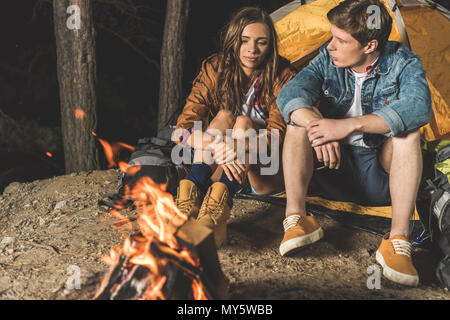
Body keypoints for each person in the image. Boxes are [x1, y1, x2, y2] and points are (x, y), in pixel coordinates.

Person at [276, 0, 431, 286]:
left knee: (408, 133)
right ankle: (297, 219)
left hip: (381, 178)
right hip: (332, 169)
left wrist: (346, 125)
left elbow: (419, 107)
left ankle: (397, 240)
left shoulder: (403, 61)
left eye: (340, 40)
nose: (330, 45)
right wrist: (317, 127)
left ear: (370, 45)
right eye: (332, 36)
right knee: (297, 122)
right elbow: (290, 93)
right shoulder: (327, 57)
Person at [172, 7, 297, 247]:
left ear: (270, 45)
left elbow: (277, 137)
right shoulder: (215, 68)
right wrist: (216, 145)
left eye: (261, 42)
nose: (252, 50)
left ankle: (209, 200)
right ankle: (200, 206)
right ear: (233, 41)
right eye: (244, 41)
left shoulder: (283, 75)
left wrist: (237, 145)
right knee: (225, 116)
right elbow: (181, 129)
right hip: (220, 167)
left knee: (244, 122)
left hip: (265, 170)